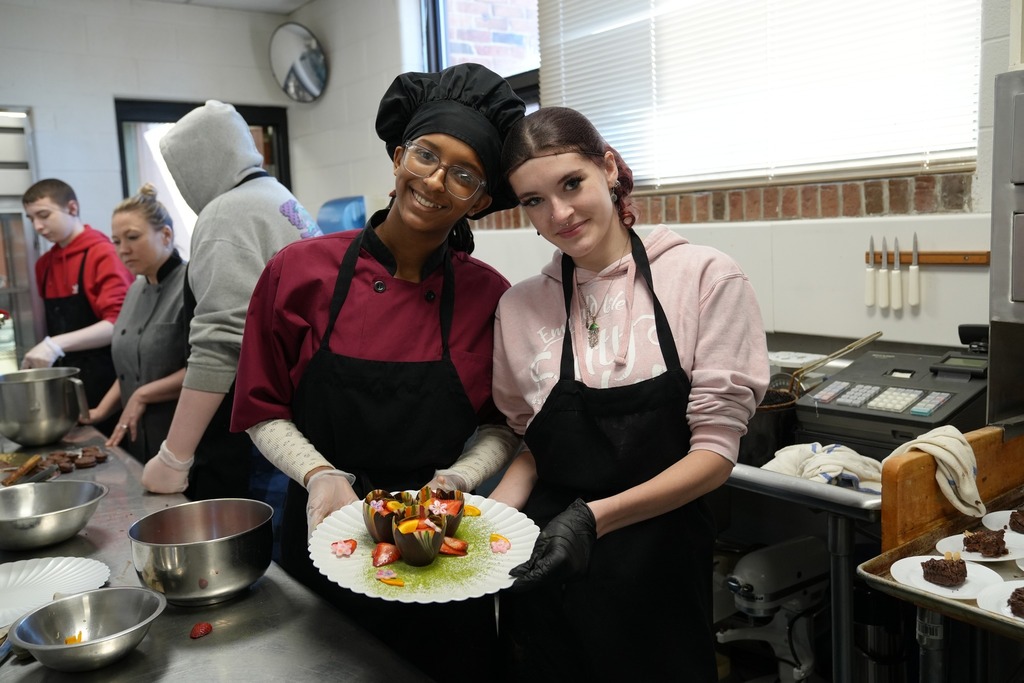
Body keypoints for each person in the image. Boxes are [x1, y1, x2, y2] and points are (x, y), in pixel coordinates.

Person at [231, 63, 525, 678]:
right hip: (326, 533)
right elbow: (261, 407)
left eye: (464, 174)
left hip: (443, 551)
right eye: (426, 155)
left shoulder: (491, 297)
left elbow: (504, 426)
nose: (437, 180)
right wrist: (318, 474)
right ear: (397, 157)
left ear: (482, 201)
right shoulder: (297, 272)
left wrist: (460, 480)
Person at [488, 106, 770, 682]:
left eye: (572, 184)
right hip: (546, 569)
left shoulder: (703, 277)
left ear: (608, 168)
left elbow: (714, 455)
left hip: (658, 574)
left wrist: (594, 519)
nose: (559, 214)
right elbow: (529, 443)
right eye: (533, 201)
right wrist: (487, 523)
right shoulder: (518, 307)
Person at [140, 100, 321, 501]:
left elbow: (222, 342)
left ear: (198, 163)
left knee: (261, 555)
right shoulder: (279, 198)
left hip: (258, 432)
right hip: (302, 419)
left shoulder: (226, 213)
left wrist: (174, 457)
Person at [22, 178, 134, 433]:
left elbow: (119, 324)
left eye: (44, 215)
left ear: (72, 208)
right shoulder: (45, 265)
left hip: (107, 383)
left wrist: (55, 344)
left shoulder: (102, 254)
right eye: (31, 219)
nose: (38, 226)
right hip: (66, 384)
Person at [85, 184, 186, 464]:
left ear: (166, 235)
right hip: (138, 441)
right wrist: (99, 412)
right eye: (116, 241)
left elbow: (208, 367)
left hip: (184, 443)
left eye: (132, 237)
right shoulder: (133, 291)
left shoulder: (192, 285)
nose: (123, 250)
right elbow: (132, 370)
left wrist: (142, 395)